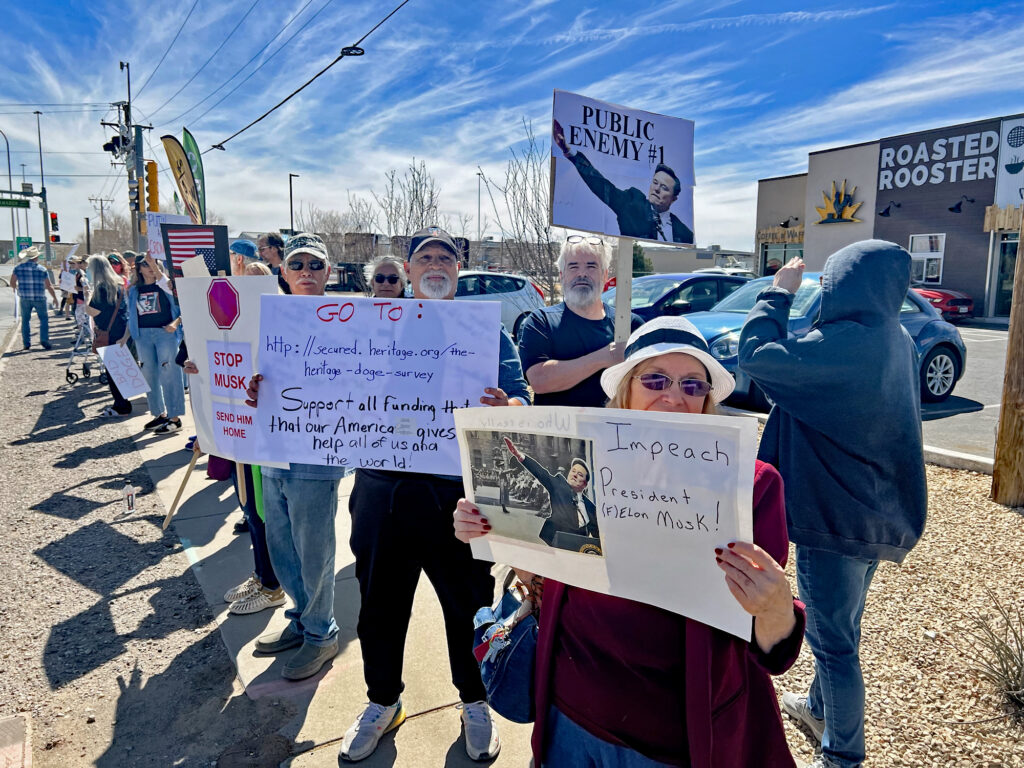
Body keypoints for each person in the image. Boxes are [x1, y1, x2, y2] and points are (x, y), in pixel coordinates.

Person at [455, 316, 805, 767]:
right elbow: (543, 583)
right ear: (625, 390)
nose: (674, 396)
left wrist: (776, 608)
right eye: (655, 379)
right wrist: (492, 532)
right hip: (569, 718)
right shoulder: (586, 466)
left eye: (693, 385)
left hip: (676, 739)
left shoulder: (751, 487)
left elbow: (768, 647)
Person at [339, 226, 531, 764]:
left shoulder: (486, 332)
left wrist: (509, 410)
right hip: (381, 488)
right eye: (426, 256)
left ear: (458, 268)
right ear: (410, 269)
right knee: (379, 605)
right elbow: (321, 382)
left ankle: (475, 700)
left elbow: (520, 398)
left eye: (447, 256)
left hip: (461, 497)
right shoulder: (372, 326)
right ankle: (382, 701)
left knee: (468, 606)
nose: (437, 264)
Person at [737, 243, 927, 768]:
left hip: (834, 521)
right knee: (842, 624)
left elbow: (754, 357)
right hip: (877, 516)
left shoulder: (843, 343)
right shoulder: (899, 340)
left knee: (832, 643)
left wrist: (778, 294)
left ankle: (843, 755)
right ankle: (821, 708)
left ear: (842, 285)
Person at [243, 233, 350, 680]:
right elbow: (247, 368)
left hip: (317, 451)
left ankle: (322, 635)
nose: (306, 271)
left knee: (314, 549)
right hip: (273, 445)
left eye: (315, 265)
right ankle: (301, 619)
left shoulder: (349, 320)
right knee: (281, 544)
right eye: (297, 264)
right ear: (282, 271)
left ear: (328, 273)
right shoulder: (266, 318)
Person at [517, 235, 643, 407]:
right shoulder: (541, 322)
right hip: (560, 431)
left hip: (614, 431)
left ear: (605, 275)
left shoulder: (630, 325)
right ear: (562, 276)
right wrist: (605, 357)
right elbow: (539, 381)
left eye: (591, 266)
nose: (582, 273)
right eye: (573, 267)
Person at [552, 119, 694, 244]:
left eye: (664, 187)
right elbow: (602, 185)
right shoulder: (631, 204)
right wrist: (569, 152)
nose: (656, 189)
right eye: (655, 183)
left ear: (674, 198)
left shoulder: (685, 233)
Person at [501, 437, 598, 547]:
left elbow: (599, 535)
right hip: (556, 541)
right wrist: (519, 456)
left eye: (580, 475)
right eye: (573, 471)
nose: (574, 475)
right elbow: (542, 473)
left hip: (578, 547)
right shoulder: (559, 485)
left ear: (585, 484)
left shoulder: (590, 507)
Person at [128, 251, 185, 434]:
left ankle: (174, 417)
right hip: (143, 335)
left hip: (164, 333)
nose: (151, 267)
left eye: (154, 263)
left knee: (169, 371)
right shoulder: (134, 290)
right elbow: (131, 314)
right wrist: (125, 336)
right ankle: (159, 413)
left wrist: (175, 323)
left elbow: (181, 306)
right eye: (146, 264)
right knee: (148, 373)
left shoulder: (165, 285)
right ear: (139, 269)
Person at [84, 255, 132, 417]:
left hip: (107, 333)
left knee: (113, 373)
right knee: (120, 372)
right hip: (121, 331)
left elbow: (92, 311)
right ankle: (123, 402)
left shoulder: (101, 288)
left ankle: (121, 406)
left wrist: (87, 296)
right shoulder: (118, 284)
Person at [10, 246, 57, 350]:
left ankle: (26, 343)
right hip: (39, 298)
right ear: (36, 258)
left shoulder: (18, 268)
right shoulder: (42, 269)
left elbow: (12, 282)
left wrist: (16, 288)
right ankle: (44, 339)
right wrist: (55, 298)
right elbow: (49, 286)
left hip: (25, 297)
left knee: (25, 320)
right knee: (43, 319)